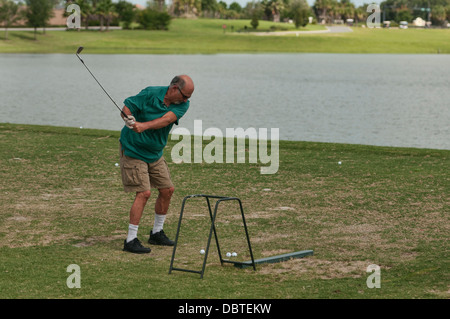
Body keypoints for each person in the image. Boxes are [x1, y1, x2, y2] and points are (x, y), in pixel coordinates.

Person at [119, 75, 194, 254]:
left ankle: (157, 233)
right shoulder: (150, 93)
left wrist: (143, 126)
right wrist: (128, 119)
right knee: (144, 193)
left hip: (154, 153)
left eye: (188, 97)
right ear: (174, 88)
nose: (186, 100)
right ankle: (130, 240)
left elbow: (166, 120)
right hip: (133, 150)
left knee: (167, 190)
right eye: (184, 96)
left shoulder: (182, 105)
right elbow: (126, 108)